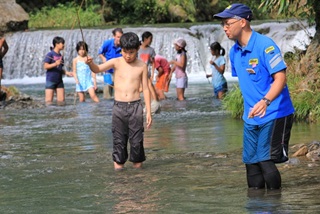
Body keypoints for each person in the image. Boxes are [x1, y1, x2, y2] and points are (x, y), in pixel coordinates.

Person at [214, 3, 295, 190]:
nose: (224, 28)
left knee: (265, 160)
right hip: (252, 116)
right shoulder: (234, 52)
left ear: (242, 22)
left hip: (275, 111)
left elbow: (280, 78)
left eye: (228, 23)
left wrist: (266, 101)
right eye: (223, 24)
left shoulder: (265, 45)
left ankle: (275, 205)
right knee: (251, 162)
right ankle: (257, 206)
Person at [86, 32, 152, 170]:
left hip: (135, 107)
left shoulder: (142, 66)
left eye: (131, 52)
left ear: (137, 49)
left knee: (136, 142)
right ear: (120, 49)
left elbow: (145, 89)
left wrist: (149, 112)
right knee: (119, 141)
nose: (128, 55)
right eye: (125, 52)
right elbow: (97, 69)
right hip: (119, 108)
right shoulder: (116, 62)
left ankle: (139, 176)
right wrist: (91, 63)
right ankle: (119, 178)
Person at [43, 36, 73, 105]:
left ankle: (60, 115)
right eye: (62, 43)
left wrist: (67, 73)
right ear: (56, 44)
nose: (63, 45)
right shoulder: (50, 54)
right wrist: (55, 63)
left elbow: (60, 69)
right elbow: (45, 66)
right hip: (50, 80)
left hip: (59, 81)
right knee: (48, 102)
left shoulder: (61, 56)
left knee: (61, 101)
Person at [138, 31, 160, 114]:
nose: (151, 41)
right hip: (138, 73)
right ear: (145, 39)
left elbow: (153, 62)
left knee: (148, 89)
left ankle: (151, 107)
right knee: (142, 89)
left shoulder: (151, 50)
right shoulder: (137, 48)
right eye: (150, 39)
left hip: (147, 73)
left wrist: (153, 74)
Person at [98, 28, 123, 99]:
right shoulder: (107, 43)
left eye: (121, 37)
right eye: (118, 37)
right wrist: (103, 59)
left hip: (118, 72)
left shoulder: (123, 46)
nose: (120, 39)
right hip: (108, 71)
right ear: (114, 36)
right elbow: (100, 52)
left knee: (118, 94)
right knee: (107, 95)